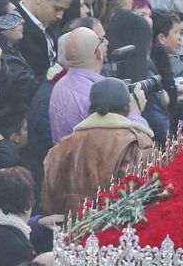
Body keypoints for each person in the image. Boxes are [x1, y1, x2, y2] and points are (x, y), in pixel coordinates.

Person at [40, 77, 155, 219]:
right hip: (113, 237)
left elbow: (47, 204)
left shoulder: (60, 148)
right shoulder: (136, 145)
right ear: (128, 109)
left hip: (66, 237)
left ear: (90, 110)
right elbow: (143, 203)